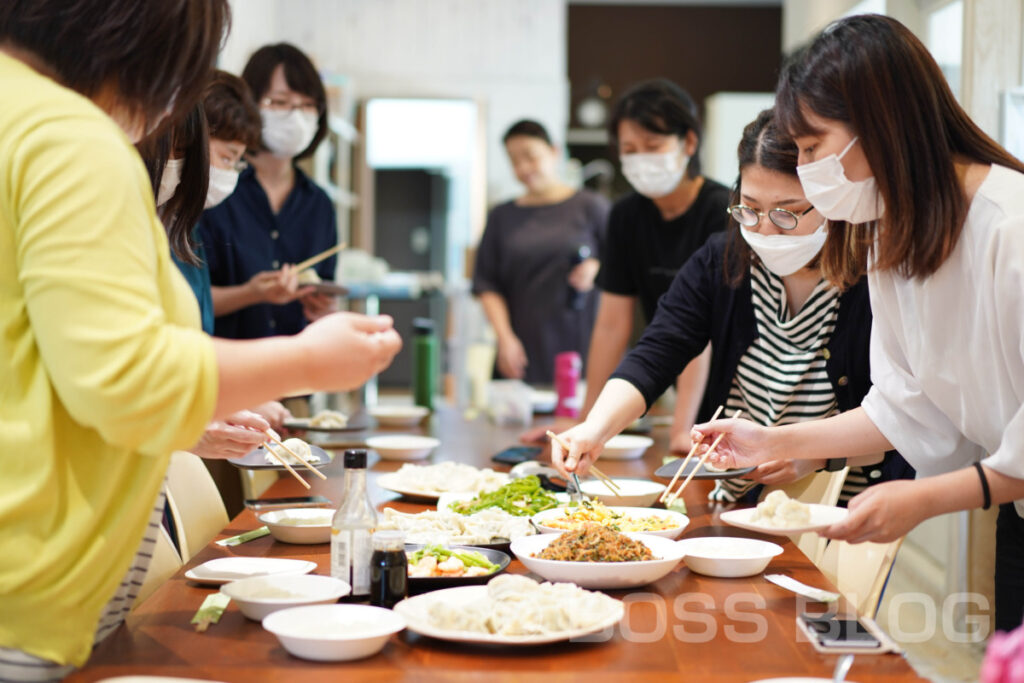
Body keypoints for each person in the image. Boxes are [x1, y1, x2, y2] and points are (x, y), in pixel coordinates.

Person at [0, 2, 401, 678]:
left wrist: (190, 424)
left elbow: (41, 362)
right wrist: (311, 358)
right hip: (27, 588)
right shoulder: (66, 135)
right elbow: (126, 376)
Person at [678, 15, 1024, 631]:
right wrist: (775, 441)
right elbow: (904, 404)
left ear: (881, 125)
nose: (806, 168)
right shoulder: (891, 231)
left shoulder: (1010, 225)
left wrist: (923, 498)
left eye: (812, 148)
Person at [551, 109, 912, 505]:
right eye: (750, 208)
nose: (765, 229)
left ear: (830, 198)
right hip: (739, 501)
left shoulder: (877, 276)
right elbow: (656, 352)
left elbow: (905, 417)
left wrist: (816, 455)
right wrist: (596, 428)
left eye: (788, 212)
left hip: (851, 511)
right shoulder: (723, 261)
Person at [524, 79, 729, 447]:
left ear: (689, 142)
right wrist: (587, 421)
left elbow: (703, 333)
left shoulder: (723, 211)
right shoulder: (626, 216)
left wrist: (683, 428)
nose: (641, 159)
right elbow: (610, 326)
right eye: (630, 149)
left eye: (653, 146)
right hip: (670, 374)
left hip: (735, 392)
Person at [200, 42, 339, 340]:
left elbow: (324, 295)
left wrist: (323, 308)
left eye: (307, 105)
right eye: (279, 102)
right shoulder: (216, 186)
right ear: (249, 103)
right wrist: (250, 294)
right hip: (225, 374)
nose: (296, 116)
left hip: (296, 377)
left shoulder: (319, 205)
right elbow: (187, 299)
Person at [473, 119, 609, 384]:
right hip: (522, 352)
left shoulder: (592, 207)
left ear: (554, 151)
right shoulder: (502, 216)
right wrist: (505, 338)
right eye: (514, 160)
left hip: (583, 347)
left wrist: (597, 268)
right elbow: (486, 285)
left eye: (530, 157)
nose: (523, 168)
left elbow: (623, 266)